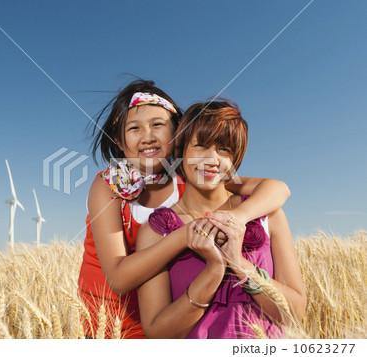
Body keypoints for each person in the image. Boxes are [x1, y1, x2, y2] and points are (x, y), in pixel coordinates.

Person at [78, 80, 291, 338]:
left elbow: (276, 188)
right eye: (134, 128)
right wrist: (185, 235)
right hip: (109, 324)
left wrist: (236, 218)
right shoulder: (109, 186)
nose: (148, 136)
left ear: (178, 134)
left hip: (173, 319)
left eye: (158, 125)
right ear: (120, 141)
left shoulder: (192, 178)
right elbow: (119, 279)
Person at [136, 100, 307, 339]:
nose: (212, 159)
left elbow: (295, 314)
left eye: (224, 149)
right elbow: (158, 333)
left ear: (235, 159)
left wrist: (239, 263)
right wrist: (213, 272)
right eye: (201, 146)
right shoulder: (156, 232)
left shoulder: (267, 215)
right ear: (181, 150)